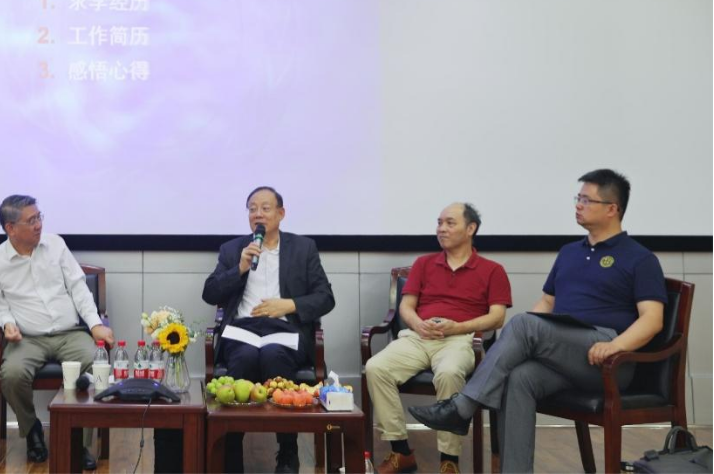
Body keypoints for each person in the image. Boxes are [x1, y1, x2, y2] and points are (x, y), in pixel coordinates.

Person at [410, 169, 668, 474]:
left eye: (587, 200)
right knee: (519, 378)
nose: (578, 205)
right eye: (578, 198)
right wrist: (521, 342)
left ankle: (462, 407)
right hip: (566, 353)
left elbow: (652, 320)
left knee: (522, 324)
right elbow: (546, 303)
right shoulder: (569, 252)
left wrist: (615, 346)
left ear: (612, 208)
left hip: (609, 359)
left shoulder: (639, 258)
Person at [365, 203, 511, 474]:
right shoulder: (424, 263)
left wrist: (458, 327)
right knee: (376, 368)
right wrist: (418, 324)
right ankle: (400, 451)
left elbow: (497, 317)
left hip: (460, 339)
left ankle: (449, 459)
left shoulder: (492, 270)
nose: (441, 229)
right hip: (418, 337)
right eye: (439, 222)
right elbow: (406, 306)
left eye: (450, 223)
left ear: (471, 228)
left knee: (449, 373)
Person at [202, 186, 336, 474]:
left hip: (283, 330)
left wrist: (288, 305)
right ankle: (231, 454)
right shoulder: (232, 249)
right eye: (252, 209)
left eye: (265, 208)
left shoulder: (303, 248)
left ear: (281, 213)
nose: (257, 214)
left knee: (275, 356)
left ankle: (287, 453)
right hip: (243, 330)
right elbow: (210, 293)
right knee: (244, 359)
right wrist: (239, 268)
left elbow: (326, 297)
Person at [0, 195, 114, 469]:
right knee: (12, 375)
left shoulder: (56, 245)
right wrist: (7, 324)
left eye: (39, 217)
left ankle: (79, 442)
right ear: (10, 228)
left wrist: (95, 324)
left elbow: (78, 288)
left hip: (70, 333)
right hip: (27, 339)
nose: (39, 225)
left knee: (97, 365)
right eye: (31, 220)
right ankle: (32, 430)